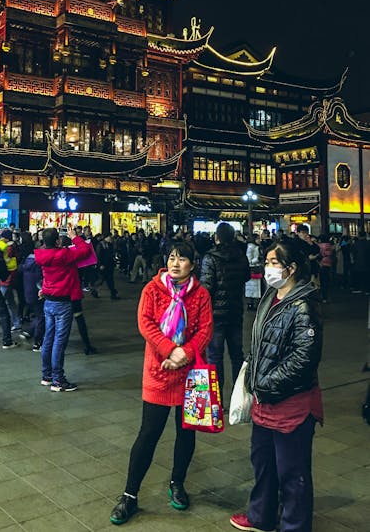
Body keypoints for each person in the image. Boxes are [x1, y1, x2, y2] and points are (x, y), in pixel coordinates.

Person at [109, 241, 213, 526]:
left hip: (191, 375)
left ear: (193, 264)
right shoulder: (152, 289)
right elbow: (145, 324)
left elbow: (205, 329)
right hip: (158, 372)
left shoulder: (201, 294)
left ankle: (177, 482)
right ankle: (129, 495)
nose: (175, 263)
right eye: (172, 258)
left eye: (182, 259)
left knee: (186, 432)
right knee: (148, 433)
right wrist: (171, 350)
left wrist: (186, 353)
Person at [230, 238, 323, 532]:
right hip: (264, 400)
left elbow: (304, 358)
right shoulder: (271, 296)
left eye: (274, 263)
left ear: (291, 268)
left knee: (292, 472)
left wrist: (266, 382)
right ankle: (261, 516)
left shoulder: (304, 305)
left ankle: (294, 526)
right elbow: (260, 342)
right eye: (267, 262)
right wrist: (253, 372)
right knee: (264, 463)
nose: (268, 268)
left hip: (291, 402)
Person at [34, 224, 91, 391]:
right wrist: (74, 236)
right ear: (58, 240)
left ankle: (47, 375)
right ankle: (58, 380)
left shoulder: (41, 255)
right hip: (63, 301)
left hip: (48, 301)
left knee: (48, 338)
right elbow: (85, 250)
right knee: (60, 340)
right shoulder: (64, 254)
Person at [200, 222, 250, 398]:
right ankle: (239, 397)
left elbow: (206, 287)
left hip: (215, 314)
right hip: (235, 311)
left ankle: (216, 399)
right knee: (237, 355)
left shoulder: (210, 257)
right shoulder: (241, 255)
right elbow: (247, 276)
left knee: (215, 357)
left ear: (217, 237)